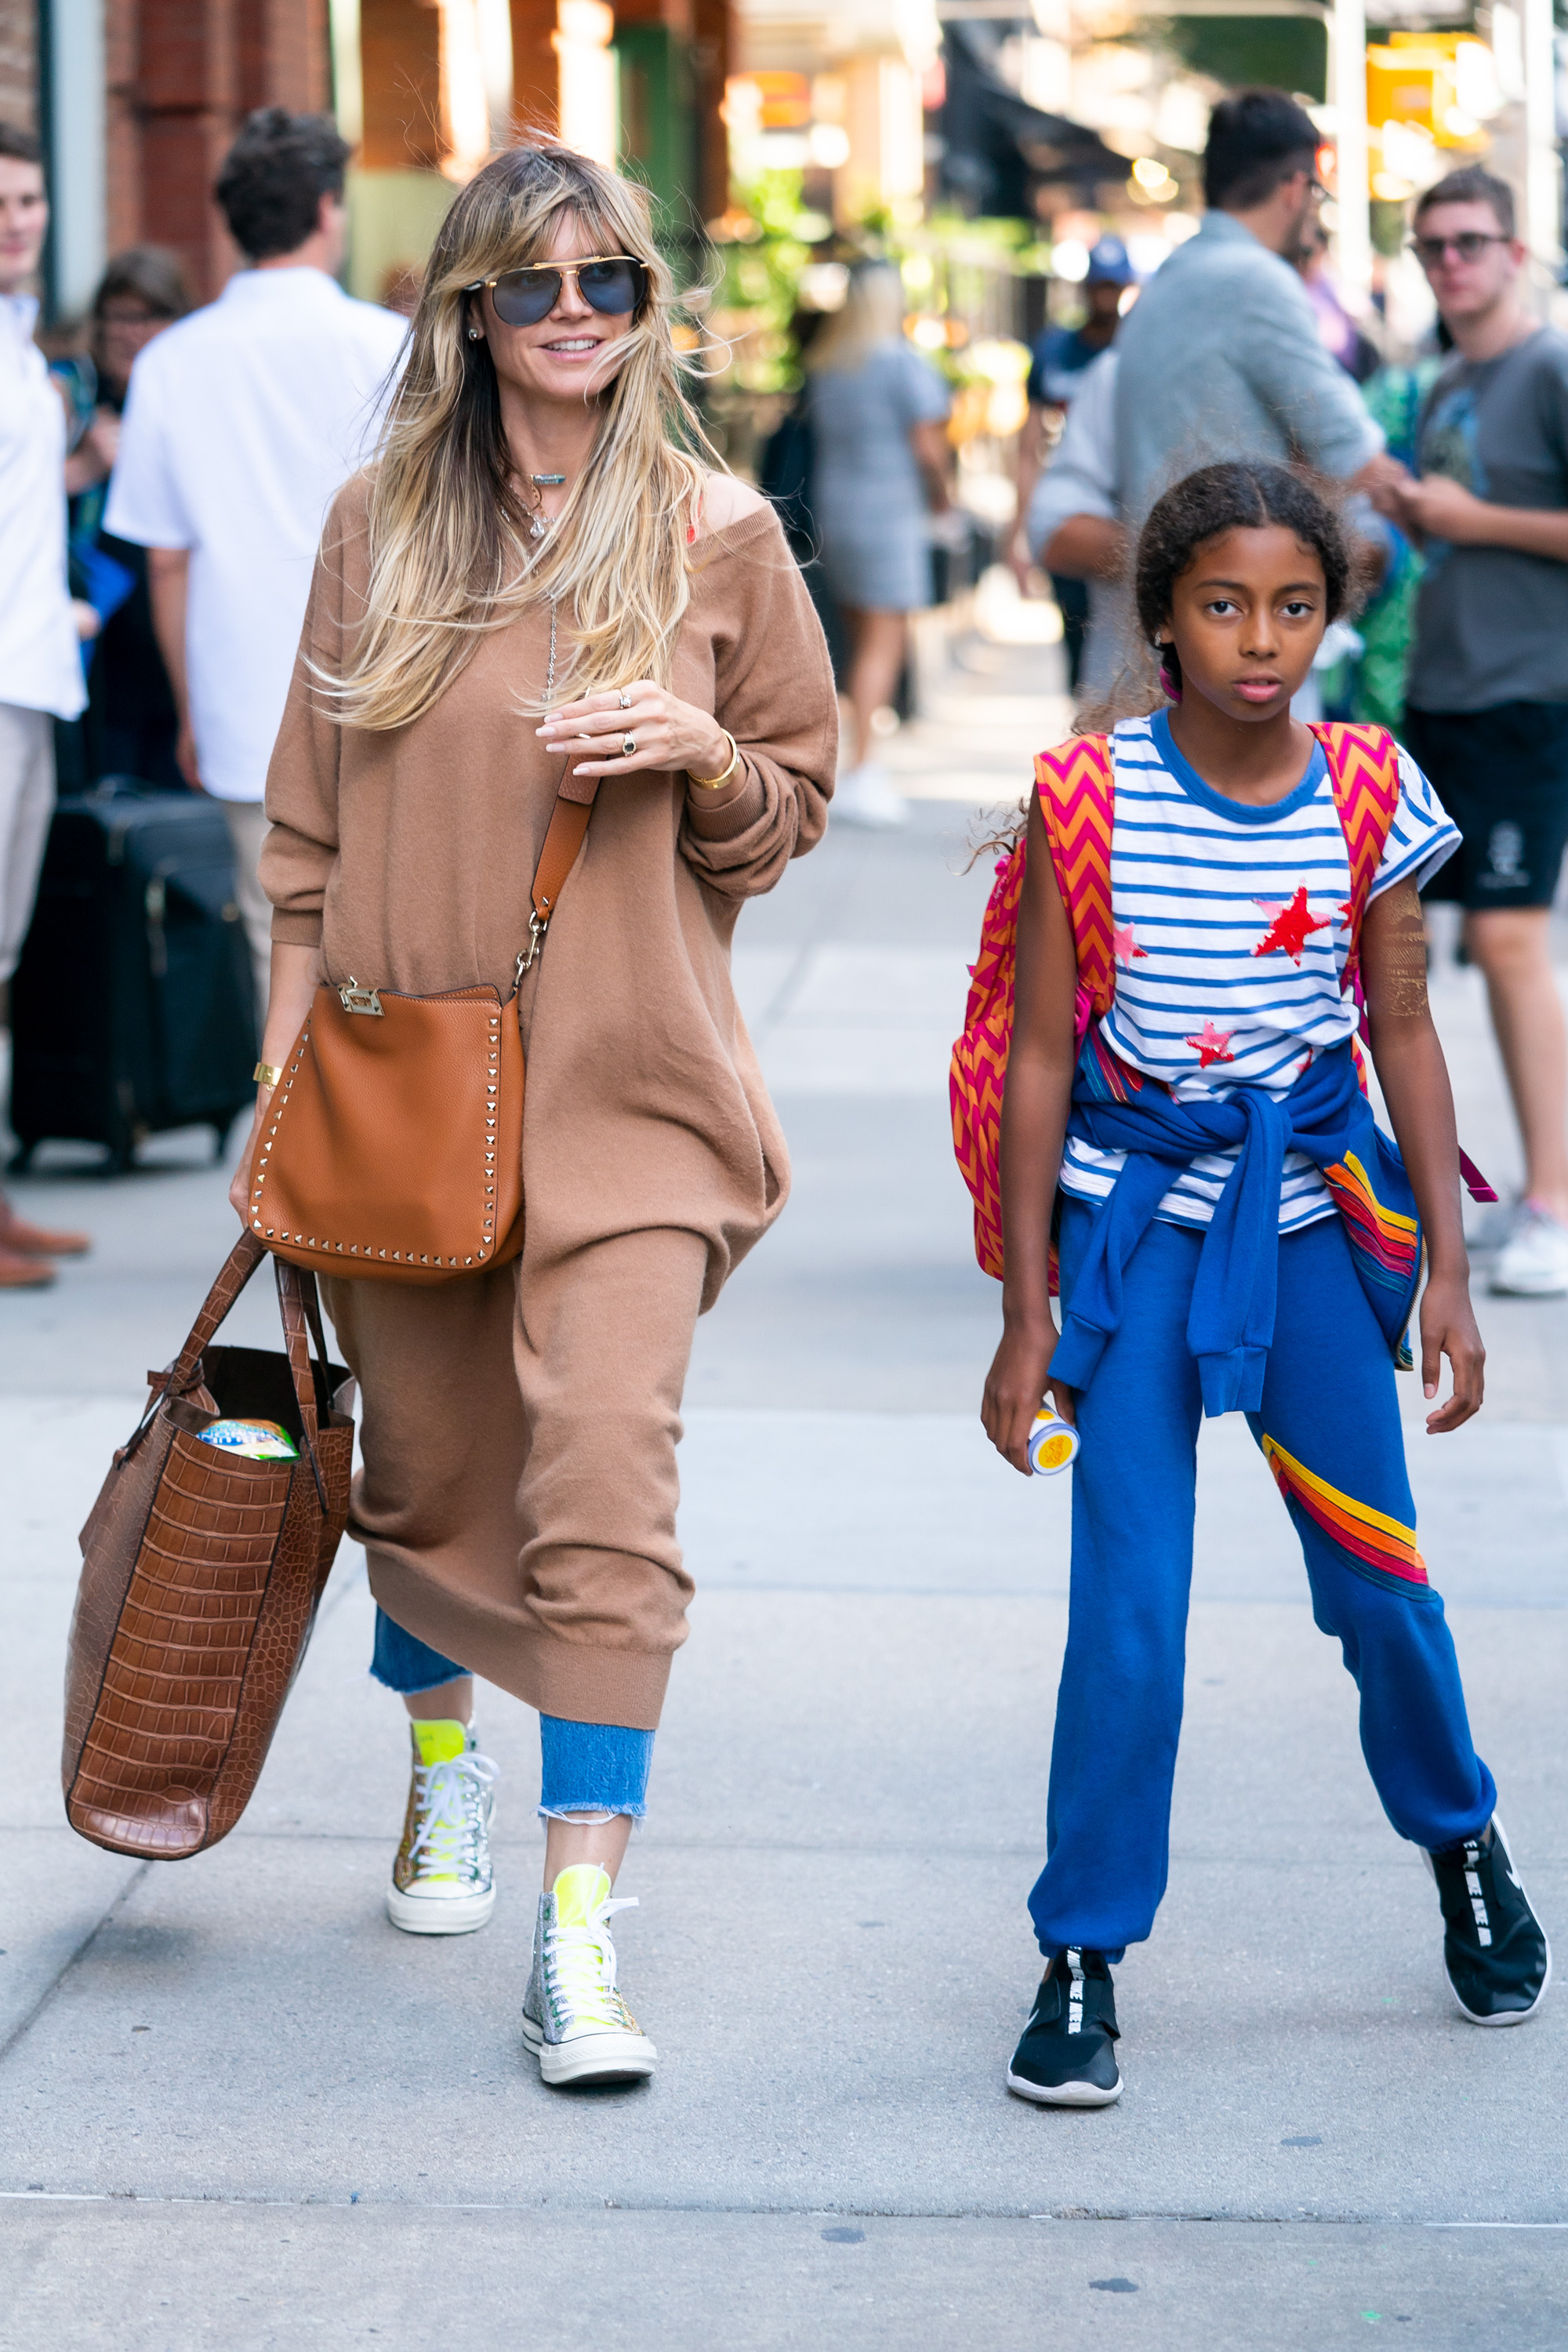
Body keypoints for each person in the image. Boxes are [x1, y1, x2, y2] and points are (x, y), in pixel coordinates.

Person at [237, 142, 836, 2087]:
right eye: (533, 288)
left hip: (634, 1092)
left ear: (647, 310)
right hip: (402, 1085)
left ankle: (579, 1933)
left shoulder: (714, 533)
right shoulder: (373, 527)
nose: (573, 317)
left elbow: (793, 799)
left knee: (600, 1476)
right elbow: (304, 839)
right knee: (424, 1478)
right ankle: (439, 1768)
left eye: (608, 286)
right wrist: (283, 1079)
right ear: (467, 312)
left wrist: (699, 748)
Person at [982, 461, 1549, 2108]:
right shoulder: (1083, 799)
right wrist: (1026, 1313)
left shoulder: (1368, 788)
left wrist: (1447, 1265)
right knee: (1131, 1618)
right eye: (1221, 604)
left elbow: (1404, 1027)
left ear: (1329, 615)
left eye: (1292, 605)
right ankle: (1081, 1949)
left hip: (1309, 1237)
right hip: (1134, 1243)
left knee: (1379, 1586)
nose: (1258, 638)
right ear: (1159, 616)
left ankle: (1460, 1840)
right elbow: (1035, 1060)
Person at [107, 107, 408, 1020]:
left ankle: (287, 1138)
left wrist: (190, 711)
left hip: (242, 696)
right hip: (380, 686)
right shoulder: (388, 346)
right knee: (392, 935)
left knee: (272, 937)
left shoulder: (170, 362)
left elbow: (167, 562)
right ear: (326, 209)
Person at [1377, 167, 1568, 1297]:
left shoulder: (1547, 367)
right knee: (1409, 944)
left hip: (1527, 698)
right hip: (1441, 698)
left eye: (1469, 242)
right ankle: (1483, 1190)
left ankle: (1552, 1197)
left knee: (1506, 941)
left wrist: (1466, 517)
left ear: (1514, 249)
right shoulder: (1447, 382)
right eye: (1432, 247)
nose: (1451, 262)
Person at [1112, 89, 1397, 529]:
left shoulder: (1163, 284)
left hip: (1175, 578)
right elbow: (1350, 452)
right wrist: (1439, 519)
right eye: (1318, 193)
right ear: (1295, 189)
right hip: (1234, 577)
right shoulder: (1253, 280)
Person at [0, 122, 91, 1289]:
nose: (16, 217)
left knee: (6, 956)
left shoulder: (23, 344)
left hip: (31, 677)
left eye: (28, 198)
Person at [802, 261, 953, 828]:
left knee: (854, 640)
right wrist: (945, 503)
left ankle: (848, 759)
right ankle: (864, 767)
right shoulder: (902, 365)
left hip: (836, 513)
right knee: (883, 644)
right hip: (890, 516)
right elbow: (929, 450)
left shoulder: (830, 366)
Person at [53, 248, 192, 786]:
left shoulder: (190, 400)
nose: (133, 333)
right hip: (94, 646)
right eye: (120, 317)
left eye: (150, 317)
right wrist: (84, 465)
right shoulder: (68, 393)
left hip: (168, 643)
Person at [1013, 236, 1136, 689]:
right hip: (1071, 505)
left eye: (1112, 287)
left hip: (1120, 508)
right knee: (1076, 637)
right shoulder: (1053, 351)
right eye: (1097, 286)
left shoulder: (1135, 351)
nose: (1104, 297)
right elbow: (1029, 447)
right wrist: (1019, 531)